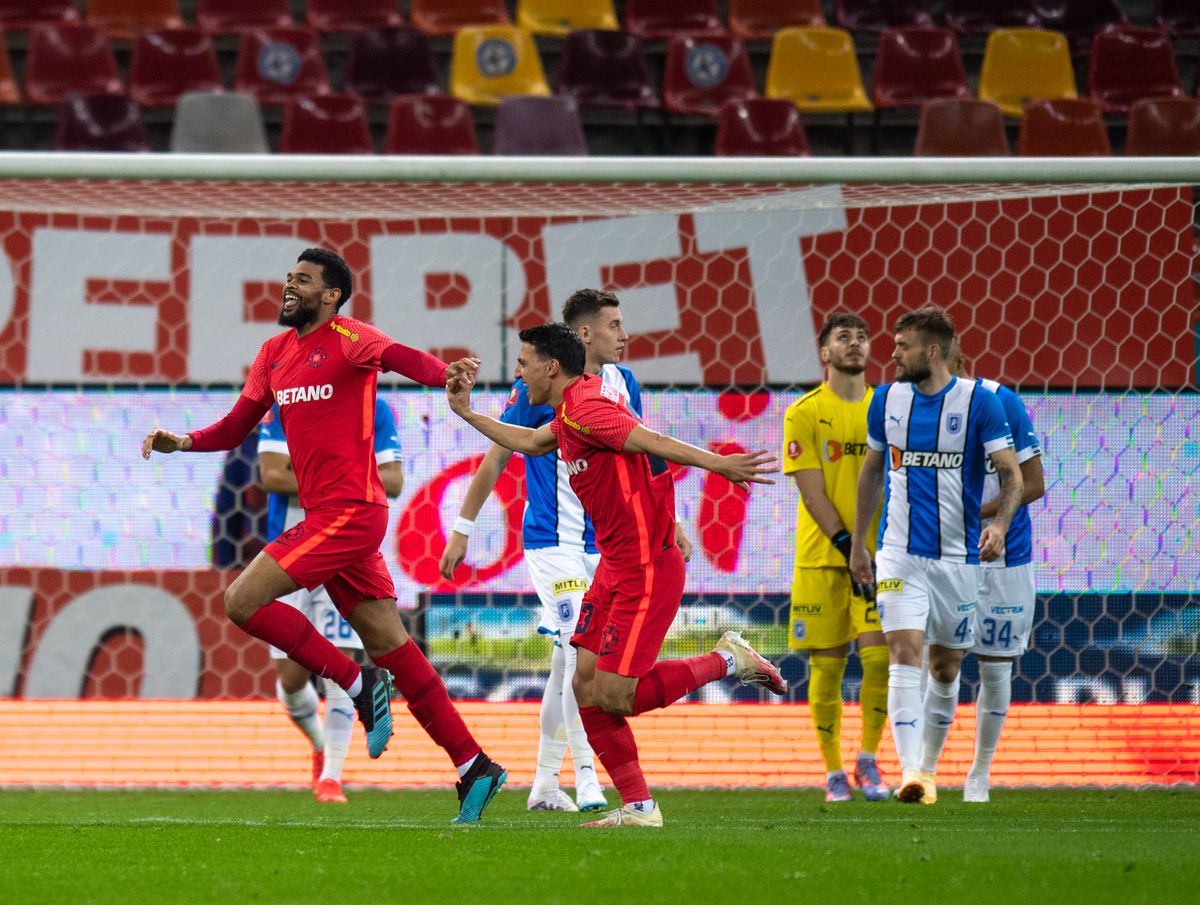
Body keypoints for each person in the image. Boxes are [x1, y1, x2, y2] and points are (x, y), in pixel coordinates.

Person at [142, 247, 506, 824]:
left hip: (353, 512)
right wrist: (182, 442)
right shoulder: (274, 353)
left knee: (242, 600)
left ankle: (356, 682)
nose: (289, 286)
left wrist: (446, 374)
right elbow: (238, 425)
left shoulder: (349, 336)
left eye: (303, 280)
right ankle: (474, 765)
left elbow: (399, 355)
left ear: (331, 294)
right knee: (397, 650)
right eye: (288, 278)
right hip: (328, 519)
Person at [446, 321, 786, 828]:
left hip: (646, 567)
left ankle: (727, 660)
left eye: (524, 363)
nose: (518, 373)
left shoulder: (587, 408)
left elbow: (650, 441)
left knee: (616, 695)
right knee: (583, 687)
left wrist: (721, 465)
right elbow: (534, 443)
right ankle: (640, 807)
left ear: (551, 366)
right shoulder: (568, 413)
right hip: (613, 564)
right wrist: (465, 411)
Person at [439, 289, 692, 814]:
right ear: (583, 336)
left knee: (572, 664)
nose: (624, 335)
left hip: (607, 544)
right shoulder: (534, 390)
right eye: (614, 325)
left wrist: (677, 519)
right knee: (575, 651)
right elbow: (506, 450)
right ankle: (587, 778)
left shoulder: (622, 385)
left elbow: (647, 449)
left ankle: (545, 782)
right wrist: (463, 526)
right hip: (551, 539)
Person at [848, 305, 1023, 805]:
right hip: (899, 553)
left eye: (902, 346)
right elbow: (871, 472)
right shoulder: (885, 400)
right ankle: (911, 773)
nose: (892, 354)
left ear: (931, 351)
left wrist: (1000, 525)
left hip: (957, 560)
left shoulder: (980, 404)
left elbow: (1011, 475)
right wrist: (862, 542)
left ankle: (926, 766)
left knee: (945, 668)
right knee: (904, 651)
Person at [258, 395, 403, 804]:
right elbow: (271, 476)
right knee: (291, 682)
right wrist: (347, 481)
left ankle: (331, 777)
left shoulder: (375, 407)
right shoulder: (288, 402)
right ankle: (321, 744)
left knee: (342, 666)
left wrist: (322, 479)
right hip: (288, 555)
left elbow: (394, 480)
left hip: (343, 552)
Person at [782, 312, 890, 803]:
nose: (855, 344)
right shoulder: (804, 412)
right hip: (825, 559)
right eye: (843, 337)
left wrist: (871, 552)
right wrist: (851, 549)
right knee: (827, 668)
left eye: (862, 337)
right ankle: (833, 773)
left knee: (880, 658)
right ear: (825, 353)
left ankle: (868, 760)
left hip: (880, 559)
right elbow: (812, 492)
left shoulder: (887, 409)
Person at [945, 342, 1045, 803]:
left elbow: (1035, 482)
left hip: (1005, 555)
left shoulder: (1001, 400)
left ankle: (979, 775)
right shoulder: (915, 409)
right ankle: (922, 767)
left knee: (995, 668)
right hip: (941, 554)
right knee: (937, 661)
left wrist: (977, 515)